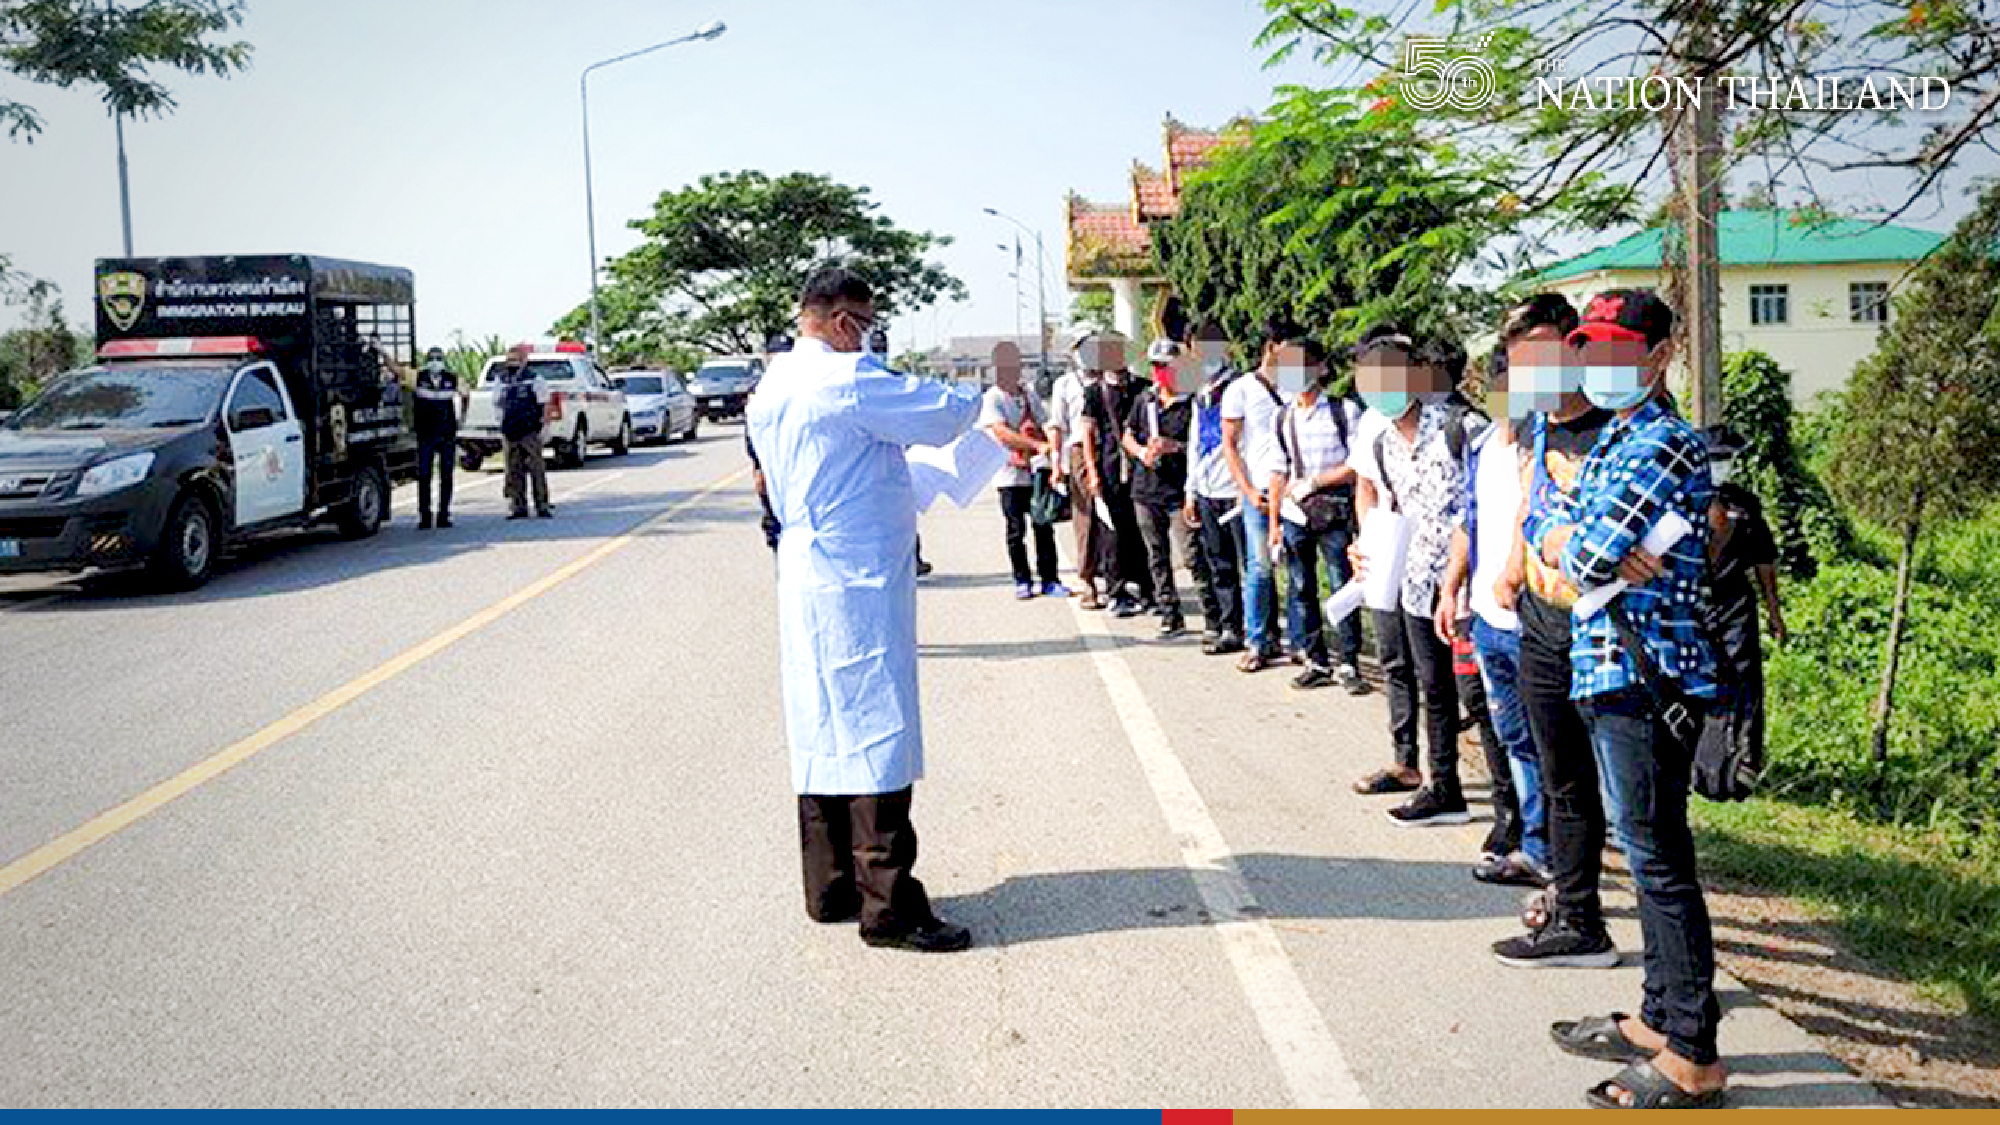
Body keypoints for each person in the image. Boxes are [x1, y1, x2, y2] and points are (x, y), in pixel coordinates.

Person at [1528, 290, 1727, 1108]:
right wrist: (1574, 540)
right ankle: (1656, 1016)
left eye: (1619, 348)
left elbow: (1591, 547)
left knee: (1659, 860)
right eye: (1590, 348)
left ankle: (1693, 1051)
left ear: (1661, 354)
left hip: (1645, 680)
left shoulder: (1665, 442)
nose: (1601, 365)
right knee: (1644, 856)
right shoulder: (1617, 435)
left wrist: (1582, 545)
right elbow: (1552, 522)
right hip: (1607, 669)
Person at [747, 267, 980, 955]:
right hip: (857, 581)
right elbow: (944, 411)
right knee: (878, 728)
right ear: (846, 323)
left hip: (807, 575)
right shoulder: (845, 379)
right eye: (868, 327)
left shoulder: (773, 384)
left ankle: (831, 886)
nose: (869, 340)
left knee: (821, 725)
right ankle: (890, 907)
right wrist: (979, 398)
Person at [1488, 295, 1627, 970]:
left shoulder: (1618, 425)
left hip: (1608, 635)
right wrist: (1512, 567)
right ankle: (1578, 918)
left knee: (1628, 798)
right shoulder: (1540, 428)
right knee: (1561, 775)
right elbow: (1531, 504)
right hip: (1543, 628)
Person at [1346, 327, 1475, 827]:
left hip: (1464, 588)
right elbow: (1382, 503)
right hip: (1414, 582)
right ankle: (1443, 788)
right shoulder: (1382, 443)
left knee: (1479, 700)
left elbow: (1478, 508)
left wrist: (1458, 582)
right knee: (1433, 686)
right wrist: (1368, 547)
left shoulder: (1461, 429)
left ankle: (1521, 818)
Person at [1435, 339, 1549, 888]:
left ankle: (1556, 848)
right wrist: (1451, 585)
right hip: (1486, 619)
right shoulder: (1482, 448)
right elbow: (1469, 520)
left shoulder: (1544, 450)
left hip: (1532, 623)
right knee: (1512, 738)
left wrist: (1514, 572)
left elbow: (1535, 522)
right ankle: (1533, 843)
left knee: (1549, 741)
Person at [1266, 336, 1369, 694]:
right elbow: (1277, 472)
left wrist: (1317, 481)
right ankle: (1315, 659)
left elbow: (1358, 465)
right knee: (1300, 587)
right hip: (1295, 514)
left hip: (1335, 510)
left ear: (1320, 367)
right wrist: (1274, 523)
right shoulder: (1282, 417)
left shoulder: (1344, 412)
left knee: (1342, 583)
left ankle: (1349, 661)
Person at [1704, 429, 1784, 769]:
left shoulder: (1746, 504)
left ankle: (1744, 756)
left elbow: (1764, 560)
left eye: (1727, 459)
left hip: (1735, 602)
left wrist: (1774, 612)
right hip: (1694, 603)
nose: (1721, 466)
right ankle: (1701, 756)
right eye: (1715, 459)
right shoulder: (1685, 497)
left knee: (1743, 677)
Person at [1222, 318, 1292, 672]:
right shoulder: (1241, 389)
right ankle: (1257, 640)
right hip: (1259, 492)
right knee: (1260, 567)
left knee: (1297, 569)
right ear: (1271, 347)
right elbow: (1230, 446)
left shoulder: (1299, 387)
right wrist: (1247, 490)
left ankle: (1300, 642)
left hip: (1294, 492)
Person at [1077, 335, 1156, 618]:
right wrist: (1092, 472)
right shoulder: (1094, 392)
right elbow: (1088, 433)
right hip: (1109, 468)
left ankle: (1148, 590)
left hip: (1141, 469)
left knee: (1142, 530)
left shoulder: (1143, 388)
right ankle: (1116, 591)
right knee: (1112, 532)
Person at [980, 342, 1064, 599]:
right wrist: (1037, 445)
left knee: (1043, 525)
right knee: (1016, 530)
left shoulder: (1028, 394)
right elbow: (1002, 433)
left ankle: (1049, 579)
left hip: (1036, 471)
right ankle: (1022, 578)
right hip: (1008, 475)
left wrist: (1053, 446)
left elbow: (1046, 421)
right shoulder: (993, 398)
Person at [1123, 339, 1195, 638]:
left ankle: (1216, 613)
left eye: (1166, 366)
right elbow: (1128, 435)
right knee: (1157, 554)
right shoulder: (1145, 400)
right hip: (1146, 488)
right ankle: (1170, 612)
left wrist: (1174, 447)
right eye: (1156, 366)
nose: (1161, 372)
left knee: (1191, 553)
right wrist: (1141, 452)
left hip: (1180, 490)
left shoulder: (1192, 402)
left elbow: (1202, 446)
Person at [1184, 323, 1246, 655]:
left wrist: (1245, 486)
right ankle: (1229, 626)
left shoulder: (1240, 386)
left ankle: (1259, 632)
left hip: (1235, 489)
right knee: (1218, 562)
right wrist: (1190, 491)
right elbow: (1195, 442)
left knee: (1250, 565)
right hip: (1207, 489)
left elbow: (1247, 442)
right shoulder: (1199, 391)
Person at [1048, 334, 1104, 606]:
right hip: (1081, 452)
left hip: (1113, 451)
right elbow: (1057, 425)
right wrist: (1056, 463)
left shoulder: (1113, 377)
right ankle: (1088, 579)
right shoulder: (1066, 384)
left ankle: (1121, 580)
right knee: (1087, 519)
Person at [496, 344, 552, 520]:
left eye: (516, 359)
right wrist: (501, 425)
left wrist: (543, 426)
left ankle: (542, 505)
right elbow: (497, 403)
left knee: (536, 469)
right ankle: (518, 506)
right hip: (510, 430)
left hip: (530, 430)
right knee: (513, 470)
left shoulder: (534, 378)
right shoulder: (502, 379)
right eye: (510, 360)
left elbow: (544, 403)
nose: (512, 363)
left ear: (524, 360)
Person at [411, 347, 464, 530]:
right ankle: (425, 515)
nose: (435, 361)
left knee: (446, 475)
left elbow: (465, 393)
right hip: (425, 434)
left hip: (447, 434)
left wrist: (462, 417)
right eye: (432, 358)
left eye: (439, 358)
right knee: (424, 475)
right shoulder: (418, 378)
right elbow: (397, 370)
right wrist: (382, 352)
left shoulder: (451, 378)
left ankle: (444, 514)